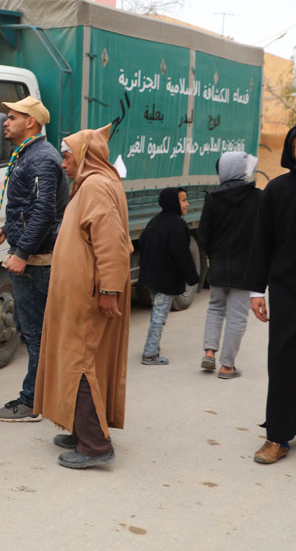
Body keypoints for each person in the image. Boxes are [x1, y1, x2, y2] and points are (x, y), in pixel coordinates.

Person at [34, 124, 132, 469]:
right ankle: (82, 430)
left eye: (67, 155)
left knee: (81, 362)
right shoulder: (96, 184)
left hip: (89, 296)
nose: (62, 163)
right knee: (81, 360)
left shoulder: (96, 187)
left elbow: (112, 246)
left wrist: (108, 291)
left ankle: (94, 444)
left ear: (86, 156)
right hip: (83, 294)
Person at [0, 96, 68, 422]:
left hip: (36, 262)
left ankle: (32, 402)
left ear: (30, 122)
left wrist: (22, 253)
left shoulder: (41, 158)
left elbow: (45, 211)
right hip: (30, 255)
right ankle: (39, 397)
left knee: (36, 334)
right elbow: (27, 207)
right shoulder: (30, 154)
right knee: (31, 331)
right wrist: (8, 229)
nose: (5, 122)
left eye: (12, 116)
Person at [246, 125, 296, 464]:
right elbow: (261, 243)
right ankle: (277, 437)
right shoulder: (277, 190)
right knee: (282, 363)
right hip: (287, 291)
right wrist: (255, 290)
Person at [197, 152, 260, 378]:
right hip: (246, 268)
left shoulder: (212, 198)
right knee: (237, 316)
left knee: (215, 307)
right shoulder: (257, 198)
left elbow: (203, 236)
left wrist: (215, 254)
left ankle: (209, 353)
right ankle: (227, 366)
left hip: (219, 265)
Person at [136, 187, 199, 365]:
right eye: (183, 200)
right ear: (173, 202)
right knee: (160, 314)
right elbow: (182, 254)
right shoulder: (177, 225)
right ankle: (150, 353)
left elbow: (144, 245)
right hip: (165, 278)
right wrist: (192, 277)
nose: (187, 204)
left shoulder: (155, 221)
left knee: (157, 311)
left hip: (152, 276)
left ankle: (152, 347)